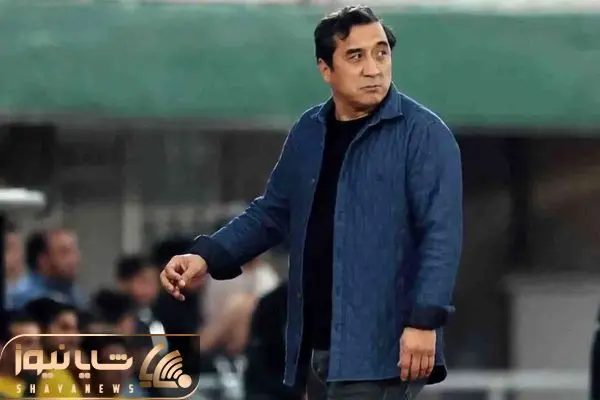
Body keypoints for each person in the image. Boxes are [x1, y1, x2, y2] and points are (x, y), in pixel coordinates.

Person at [160, 5, 462, 400]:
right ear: (326, 69)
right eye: (356, 56)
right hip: (316, 346)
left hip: (383, 349)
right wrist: (207, 255)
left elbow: (441, 236)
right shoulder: (310, 131)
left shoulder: (423, 135)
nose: (373, 68)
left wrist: (425, 321)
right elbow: (272, 213)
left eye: (381, 53)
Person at [8, 229, 85, 309]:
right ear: (43, 260)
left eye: (75, 251)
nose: (74, 260)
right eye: (64, 252)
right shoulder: (23, 298)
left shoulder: (76, 295)